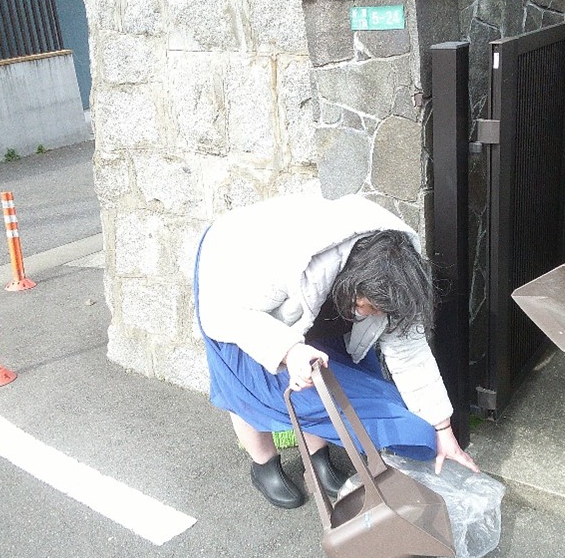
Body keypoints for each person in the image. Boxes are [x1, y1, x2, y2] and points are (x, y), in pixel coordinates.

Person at [194, 193, 479, 508]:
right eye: (367, 308)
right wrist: (288, 350)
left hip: (311, 293)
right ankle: (264, 465)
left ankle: (317, 458)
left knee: (323, 379)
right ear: (352, 286)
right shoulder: (286, 262)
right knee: (246, 388)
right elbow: (224, 316)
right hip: (232, 274)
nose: (372, 317)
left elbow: (410, 354)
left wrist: (442, 428)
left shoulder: (398, 274)